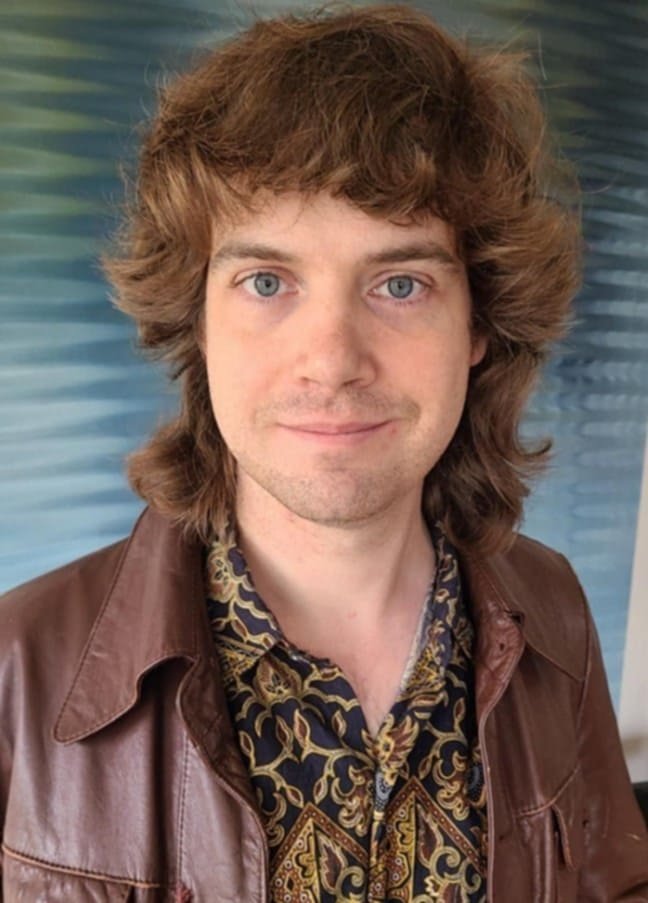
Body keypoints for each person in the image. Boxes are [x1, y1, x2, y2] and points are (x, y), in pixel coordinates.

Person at [1, 4, 647, 901]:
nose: (334, 359)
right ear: (198, 321)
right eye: (267, 281)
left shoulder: (556, 614)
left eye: (400, 282)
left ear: (478, 327)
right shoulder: (16, 669)